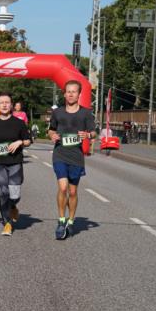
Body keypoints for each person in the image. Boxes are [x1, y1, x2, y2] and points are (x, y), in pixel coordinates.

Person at [48, 80, 96, 240]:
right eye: (68, 91)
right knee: (63, 188)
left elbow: (93, 132)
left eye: (74, 91)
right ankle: (61, 220)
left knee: (73, 191)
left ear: (79, 94)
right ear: (64, 94)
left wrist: (88, 135)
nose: (70, 94)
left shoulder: (86, 113)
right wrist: (52, 135)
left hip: (76, 156)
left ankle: (71, 219)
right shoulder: (58, 112)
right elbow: (51, 130)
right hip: (60, 154)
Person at [0, 92, 32, 235]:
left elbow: (28, 140)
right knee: (3, 194)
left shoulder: (19, 123)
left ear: (11, 105)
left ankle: (13, 206)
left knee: (14, 195)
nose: (4, 105)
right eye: (1, 102)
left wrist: (20, 141)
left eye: (7, 102)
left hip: (15, 162)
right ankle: (7, 223)